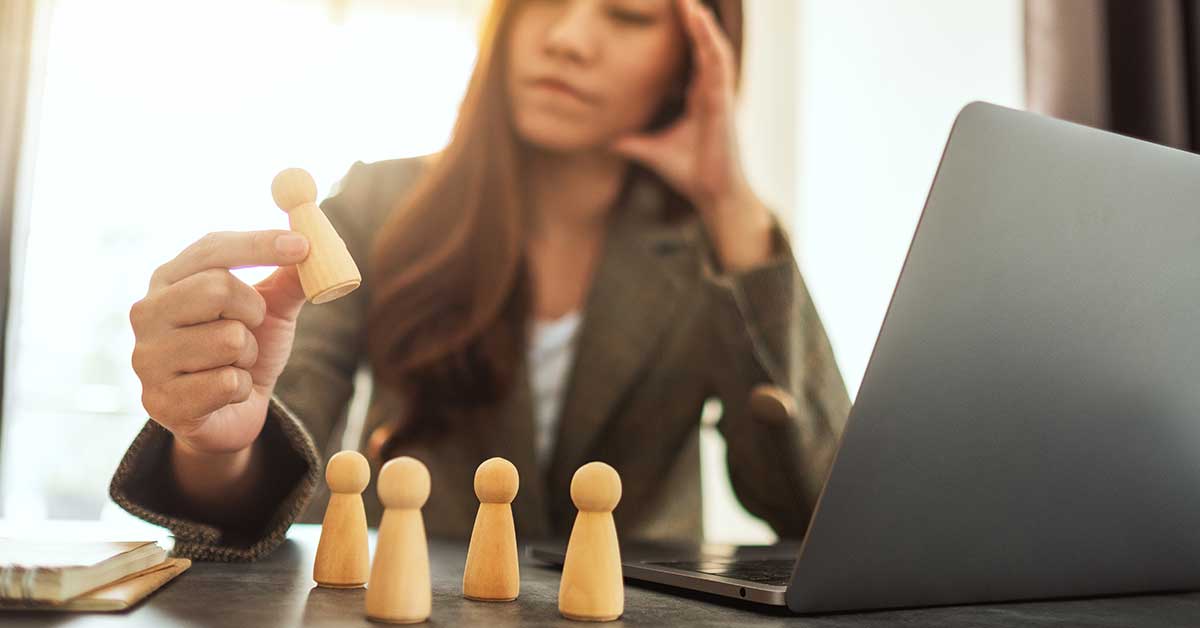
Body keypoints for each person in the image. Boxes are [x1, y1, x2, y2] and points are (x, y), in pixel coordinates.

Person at [113, 0, 850, 561]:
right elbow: (270, 459)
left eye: (627, 13)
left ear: (692, 57)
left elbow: (825, 513)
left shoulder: (713, 249)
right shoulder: (376, 207)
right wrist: (216, 445)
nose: (569, 38)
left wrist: (731, 204)